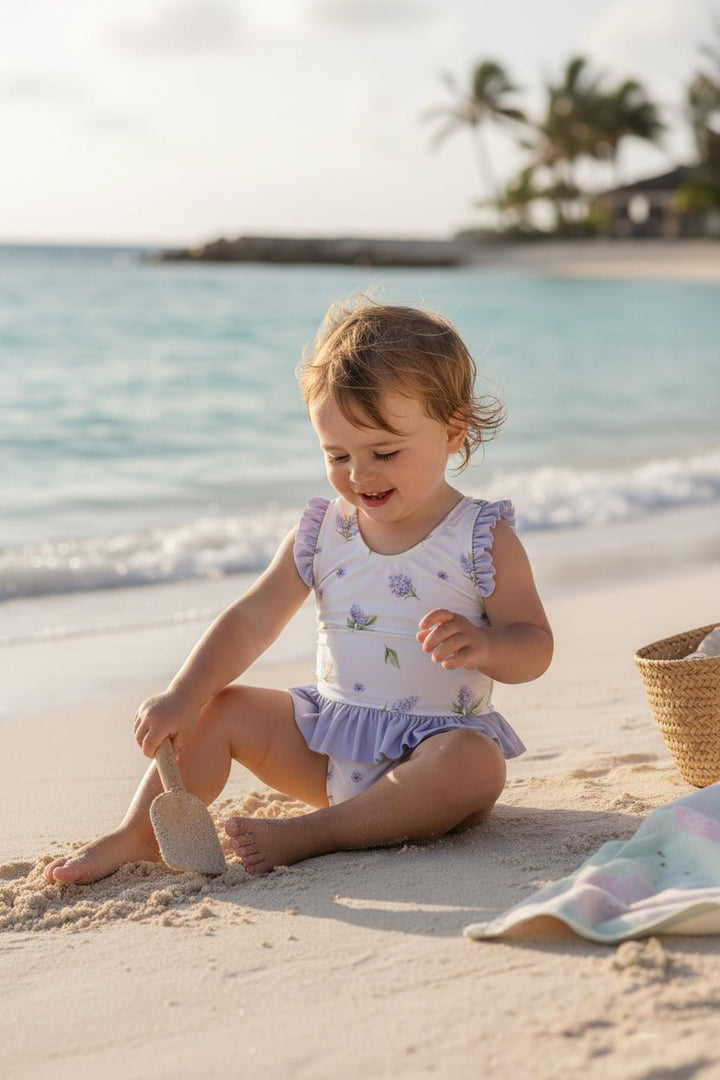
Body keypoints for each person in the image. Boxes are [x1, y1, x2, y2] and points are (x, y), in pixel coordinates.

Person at [44, 298, 553, 883]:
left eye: (383, 452)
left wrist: (488, 647)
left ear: (452, 432)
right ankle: (138, 837)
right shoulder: (323, 533)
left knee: (474, 762)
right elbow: (252, 620)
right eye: (337, 455)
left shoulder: (480, 537)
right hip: (328, 745)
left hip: (431, 759)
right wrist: (185, 695)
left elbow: (535, 645)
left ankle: (314, 835)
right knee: (223, 705)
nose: (359, 475)